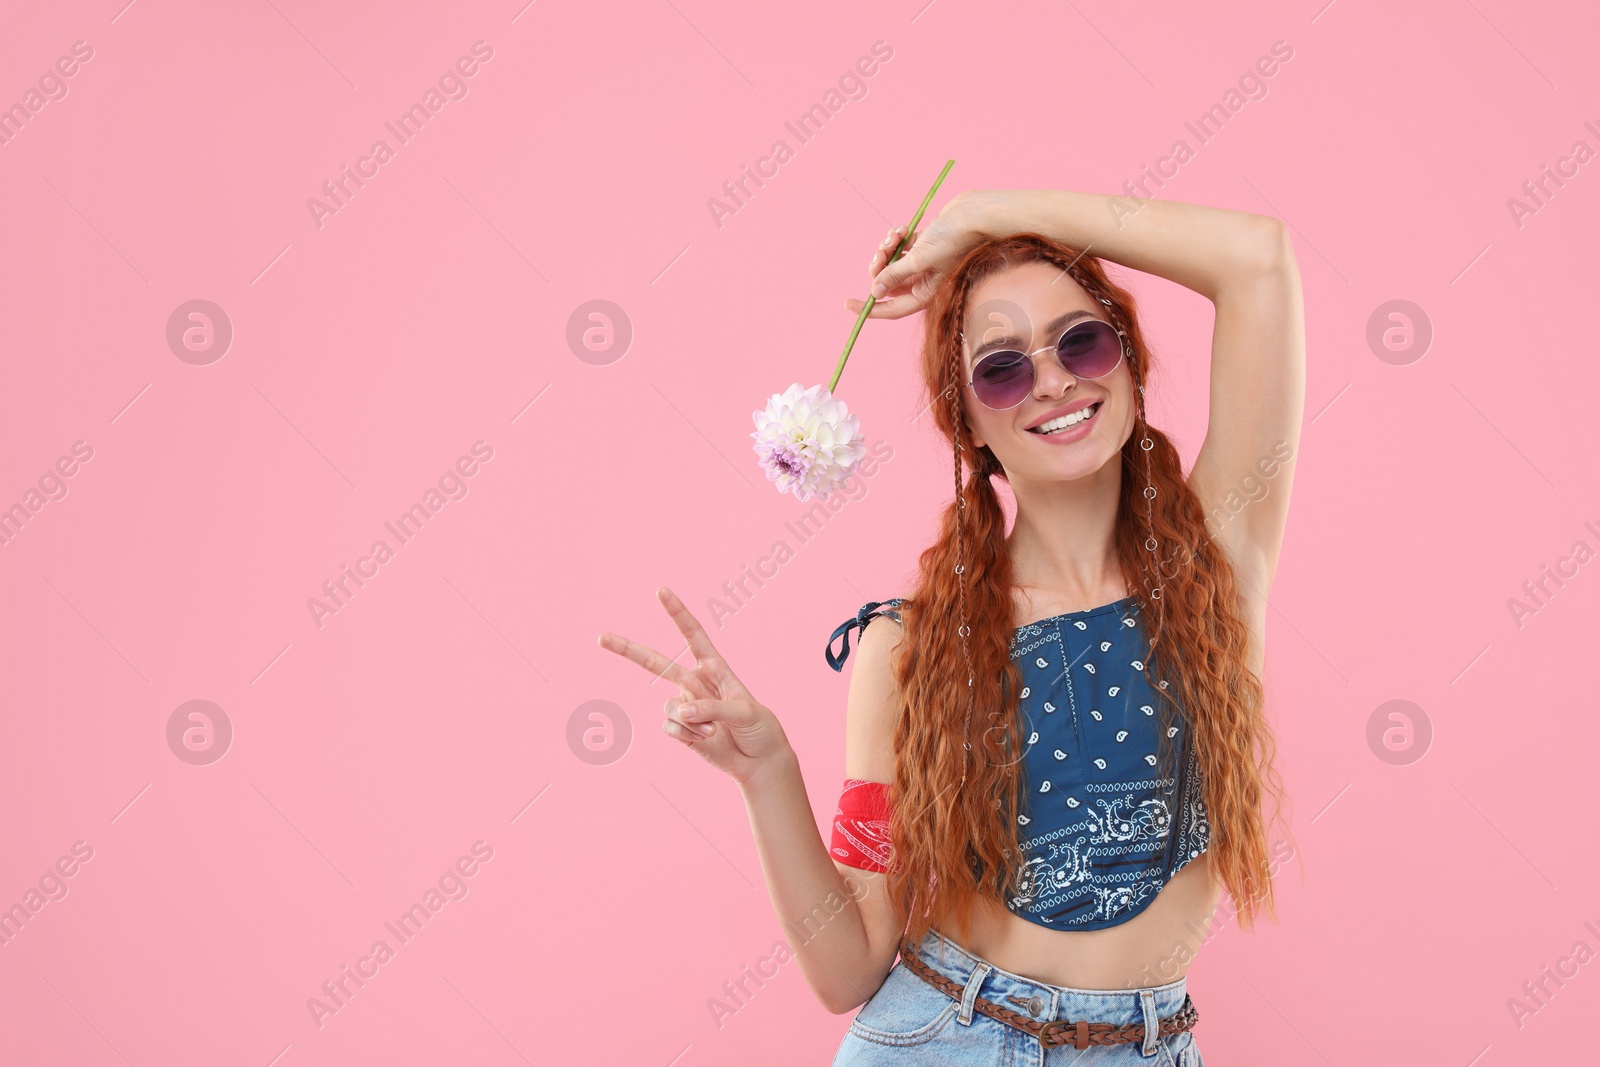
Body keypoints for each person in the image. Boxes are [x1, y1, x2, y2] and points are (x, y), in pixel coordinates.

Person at [598, 187, 1305, 1064]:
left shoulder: (1216, 566)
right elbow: (848, 966)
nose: (1053, 379)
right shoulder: (911, 646)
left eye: (1081, 340)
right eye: (1002, 367)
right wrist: (767, 771)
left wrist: (989, 213)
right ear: (967, 422)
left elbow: (1257, 259)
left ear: (1129, 364)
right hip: (941, 1036)